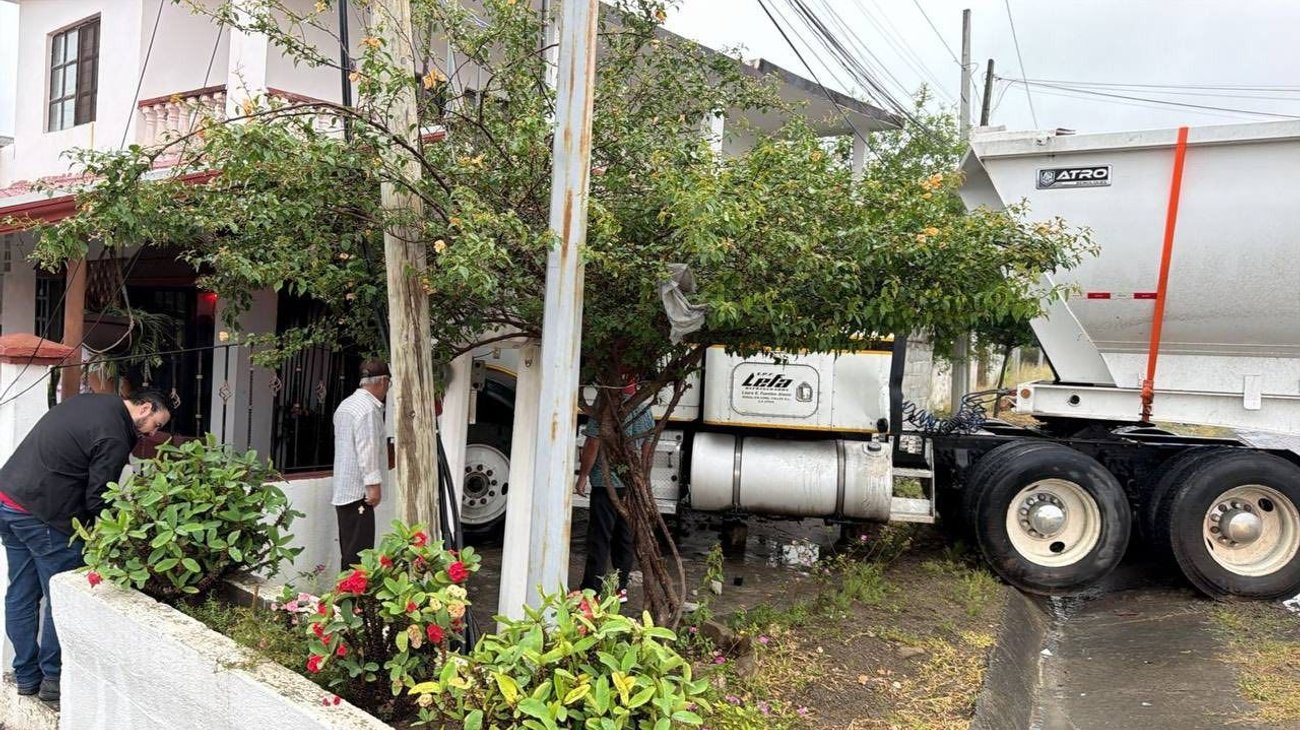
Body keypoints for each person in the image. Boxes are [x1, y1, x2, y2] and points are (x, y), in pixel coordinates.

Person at [0, 389, 171, 703]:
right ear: (145, 408)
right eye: (155, 425)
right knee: (61, 596)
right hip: (44, 514)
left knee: (22, 591)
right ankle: (53, 678)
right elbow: (97, 498)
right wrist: (123, 530)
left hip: (8, 499)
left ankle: (26, 677)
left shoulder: (92, 401)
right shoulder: (117, 434)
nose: (152, 433)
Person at [575, 380, 655, 601]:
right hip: (629, 486)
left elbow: (593, 444)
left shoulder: (604, 405)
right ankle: (620, 588)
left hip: (605, 483)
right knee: (624, 537)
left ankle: (592, 589)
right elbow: (648, 448)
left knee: (600, 537)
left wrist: (582, 476)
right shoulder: (643, 408)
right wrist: (641, 481)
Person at [332, 358, 390, 571]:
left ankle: (345, 599)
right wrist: (373, 485)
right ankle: (351, 601)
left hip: (344, 489)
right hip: (359, 492)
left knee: (349, 551)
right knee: (359, 556)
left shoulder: (346, 405)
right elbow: (367, 449)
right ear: (383, 381)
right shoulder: (368, 409)